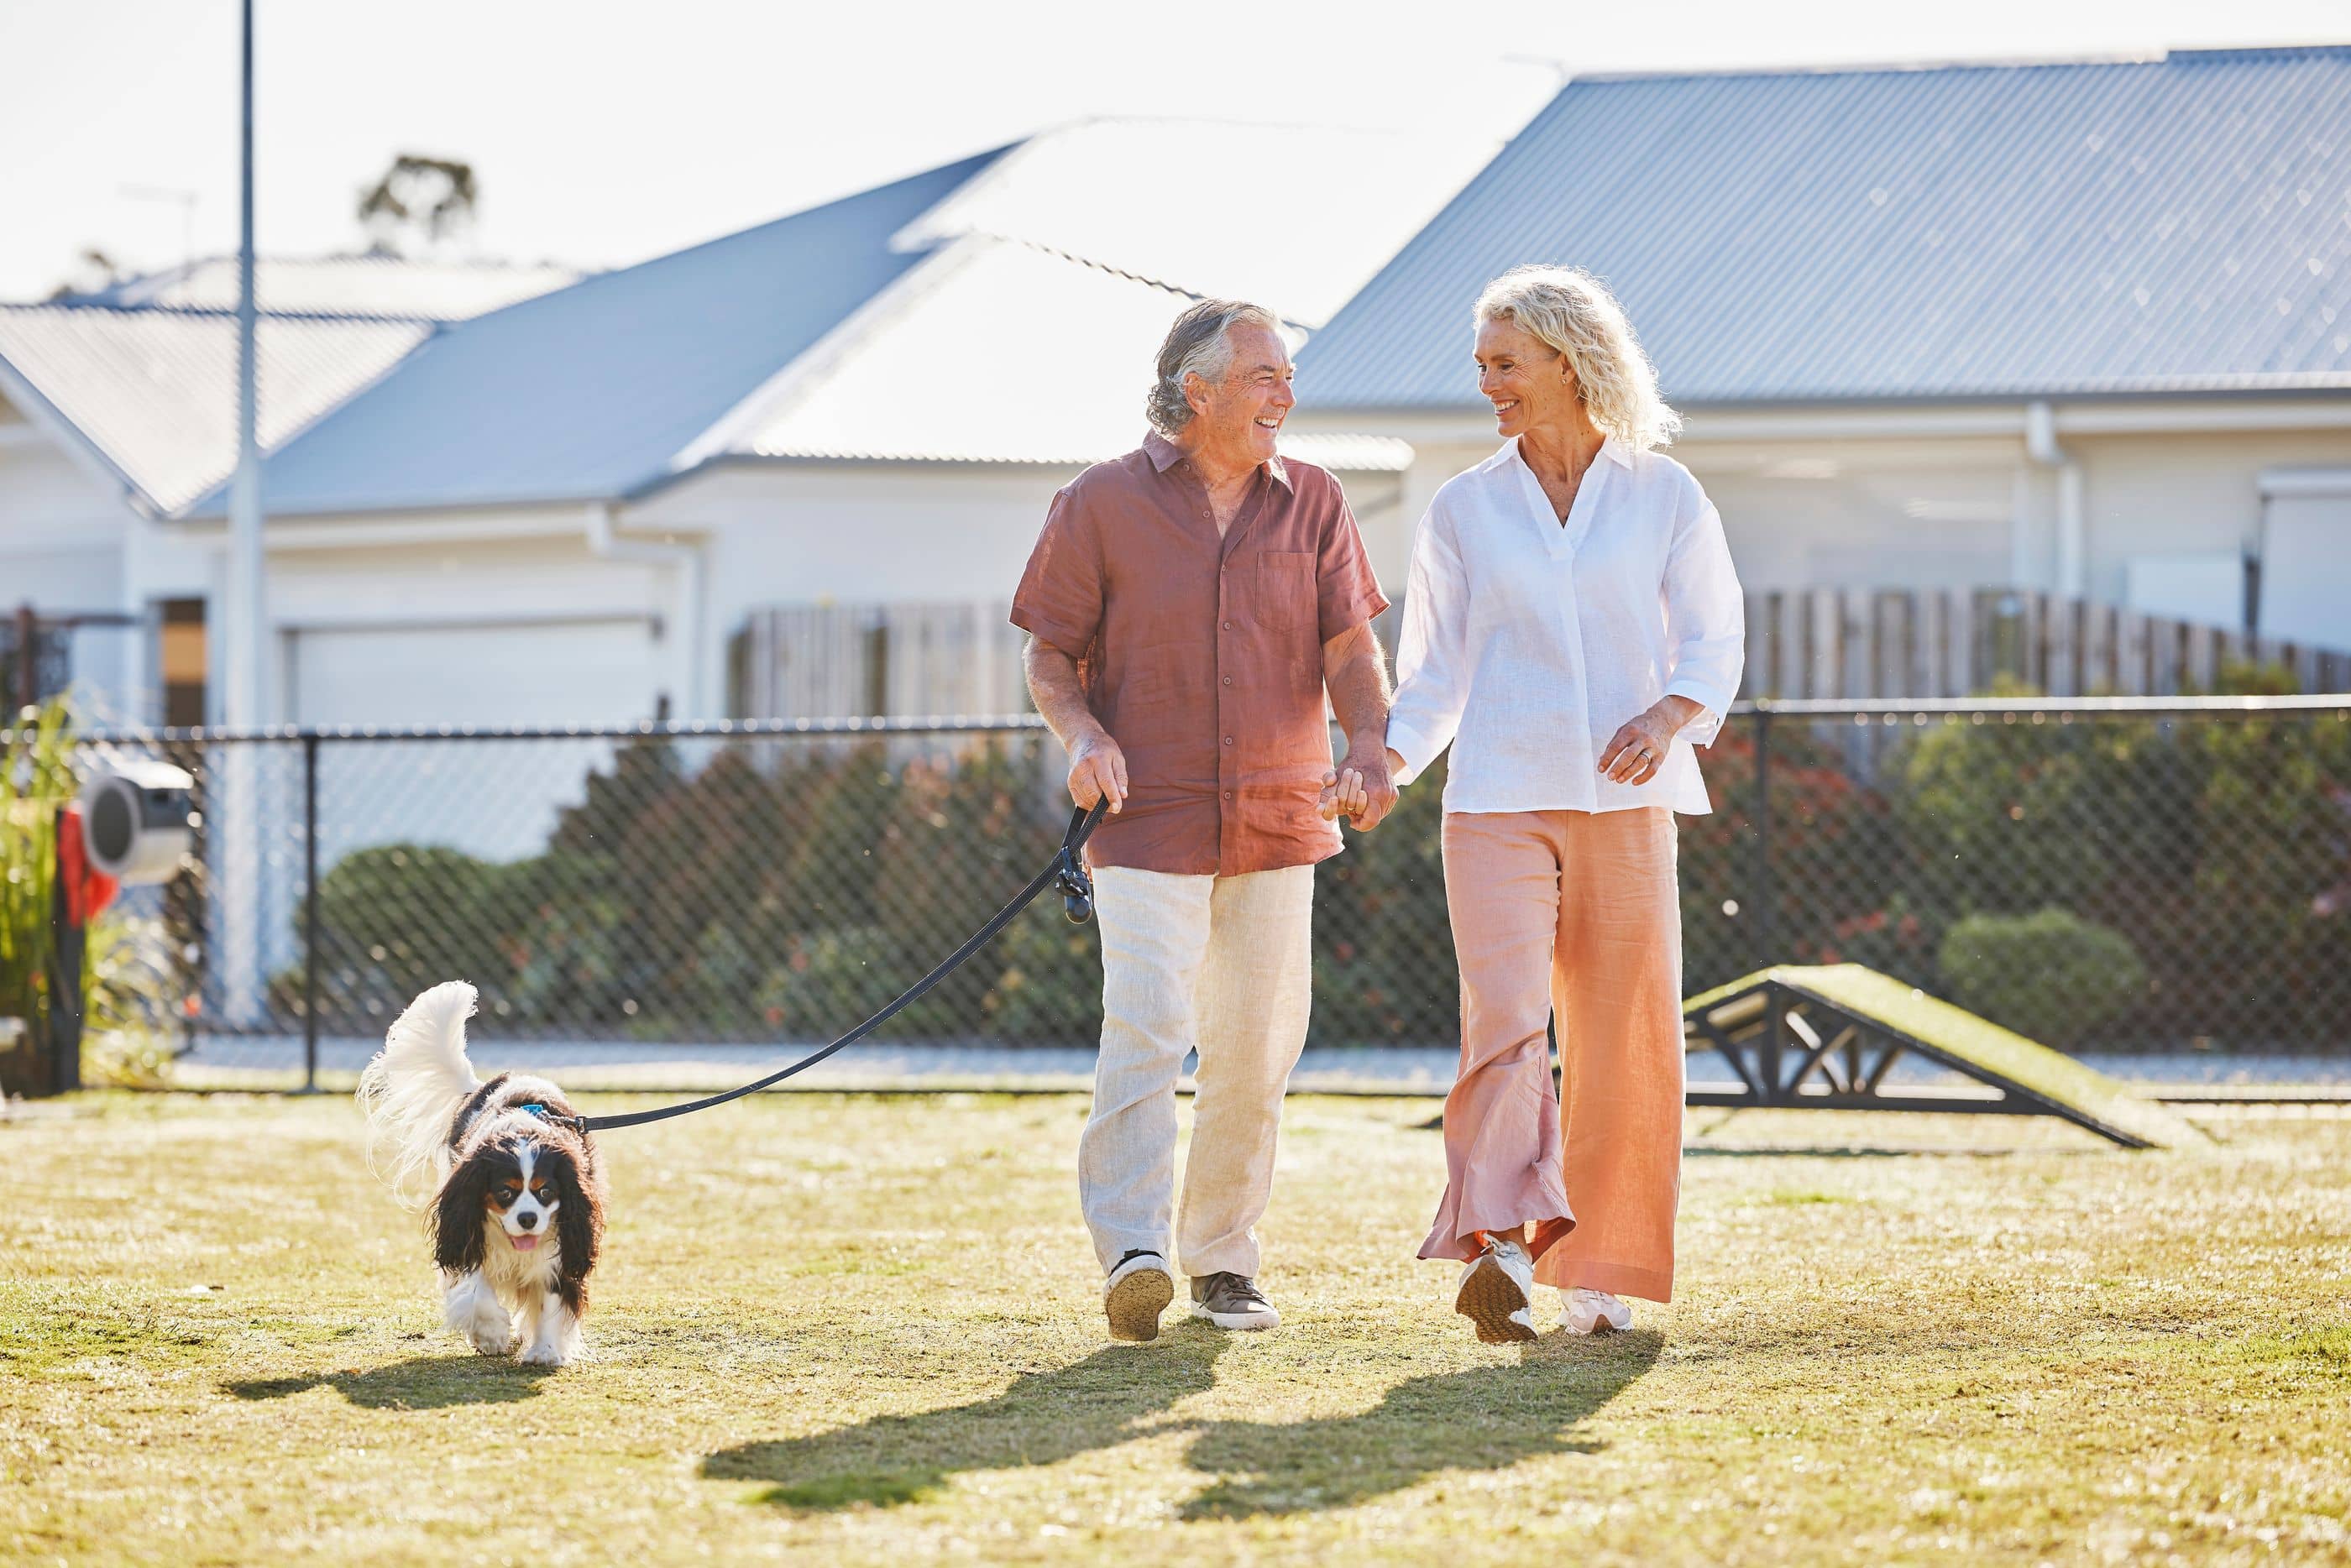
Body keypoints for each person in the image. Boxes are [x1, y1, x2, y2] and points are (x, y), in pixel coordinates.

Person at [1367, 264, 1744, 1342]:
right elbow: (1432, 670)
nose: (1487, 383)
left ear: (1568, 361)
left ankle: (1597, 1273)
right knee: (1502, 1021)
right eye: (1480, 364)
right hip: (1495, 798)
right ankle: (1497, 1248)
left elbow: (1715, 634)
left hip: (1627, 802)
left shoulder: (1663, 493)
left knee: (1626, 1036)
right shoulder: (1465, 506)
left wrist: (1671, 715)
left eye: (1504, 363)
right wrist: (1385, 764)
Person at [1013, 299, 1395, 1342]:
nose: (1286, 394)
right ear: (1203, 390)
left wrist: (1368, 745)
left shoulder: (1313, 501)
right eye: (1267, 375)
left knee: (1255, 1048)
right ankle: (1133, 1250)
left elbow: (1351, 650)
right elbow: (1049, 656)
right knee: (1144, 1028)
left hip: (1282, 815)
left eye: (1284, 376)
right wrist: (1083, 739)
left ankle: (1223, 1260)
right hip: (1148, 819)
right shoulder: (1098, 503)